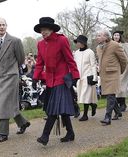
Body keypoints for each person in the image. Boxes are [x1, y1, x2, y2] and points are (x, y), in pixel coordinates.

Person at [32, 17, 80, 145]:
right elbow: (39, 64)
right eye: (41, 30)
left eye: (46, 29)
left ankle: (45, 136)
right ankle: (70, 133)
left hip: (61, 79)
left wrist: (75, 75)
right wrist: (35, 77)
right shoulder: (40, 44)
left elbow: (70, 59)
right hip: (49, 81)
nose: (43, 32)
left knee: (53, 108)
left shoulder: (62, 40)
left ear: (52, 29)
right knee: (61, 108)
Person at [0, 18, 30, 143]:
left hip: (11, 76)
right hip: (0, 76)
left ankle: (2, 133)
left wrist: (13, 70)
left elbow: (21, 58)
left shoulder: (15, 41)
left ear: (6, 26)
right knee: (9, 104)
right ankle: (22, 123)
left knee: (3, 103)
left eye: (3, 25)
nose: (1, 27)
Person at [96, 29, 127, 126]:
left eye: (99, 35)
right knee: (110, 95)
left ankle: (107, 117)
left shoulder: (115, 45)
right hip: (104, 74)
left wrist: (119, 72)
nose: (97, 37)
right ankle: (118, 112)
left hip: (113, 74)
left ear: (105, 37)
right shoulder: (98, 48)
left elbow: (124, 60)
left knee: (110, 95)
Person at [73, 35, 98, 121]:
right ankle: (93, 105)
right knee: (82, 96)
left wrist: (95, 77)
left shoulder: (90, 52)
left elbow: (93, 65)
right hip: (80, 77)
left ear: (83, 43)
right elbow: (75, 65)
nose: (77, 44)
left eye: (78, 42)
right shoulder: (76, 53)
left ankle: (85, 114)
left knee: (85, 95)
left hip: (88, 76)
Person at [112, 31, 128, 113]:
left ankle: (123, 104)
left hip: (124, 67)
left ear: (120, 36)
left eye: (118, 35)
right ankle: (119, 104)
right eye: (115, 35)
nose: (116, 36)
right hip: (115, 67)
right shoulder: (111, 44)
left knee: (121, 86)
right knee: (116, 86)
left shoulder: (124, 45)